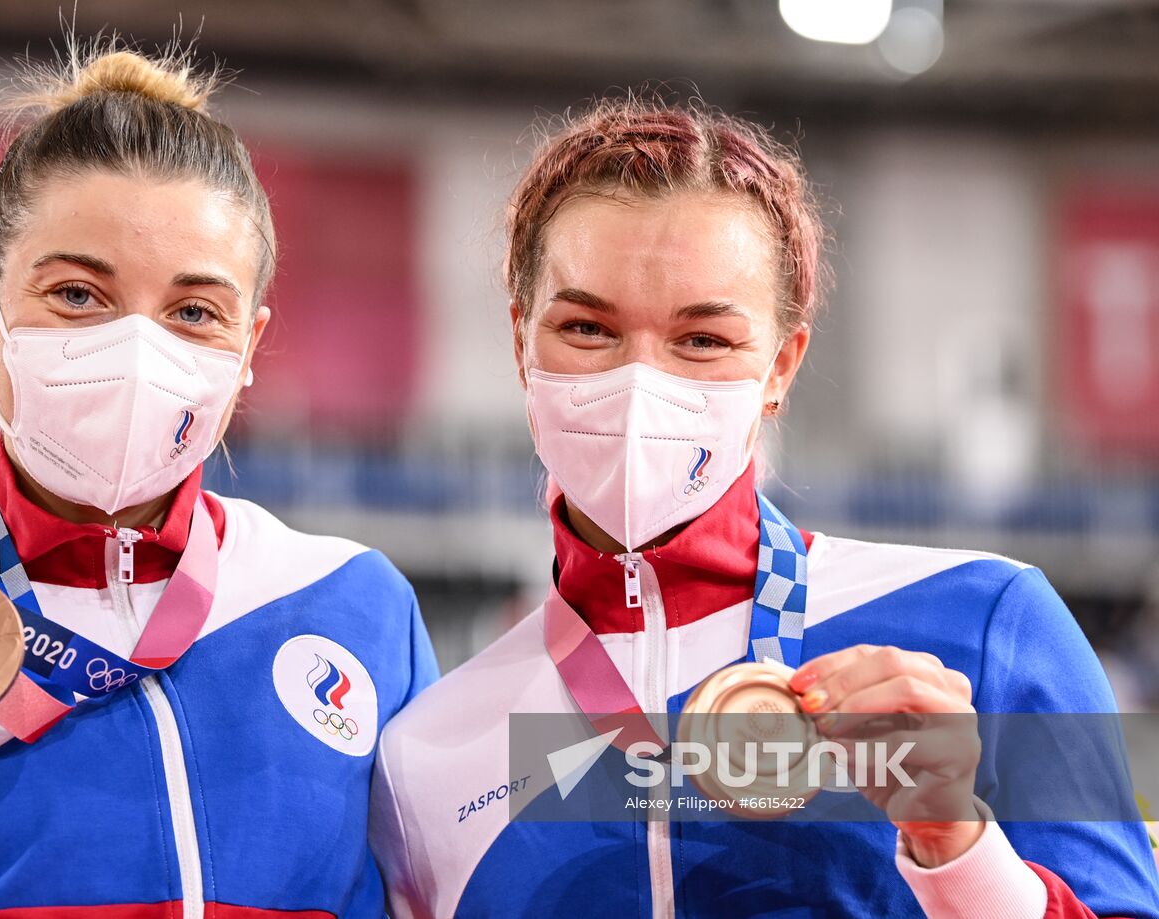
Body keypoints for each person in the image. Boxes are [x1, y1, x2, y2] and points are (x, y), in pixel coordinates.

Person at [369, 98, 1159, 918]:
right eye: (586, 327)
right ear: (519, 342)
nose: (641, 382)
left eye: (703, 339)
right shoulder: (431, 753)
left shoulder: (984, 629)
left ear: (781, 365)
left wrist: (958, 846)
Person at [0, 42, 437, 918]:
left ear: (249, 348)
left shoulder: (356, 606)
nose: (138, 349)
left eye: (194, 312)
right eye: (78, 295)